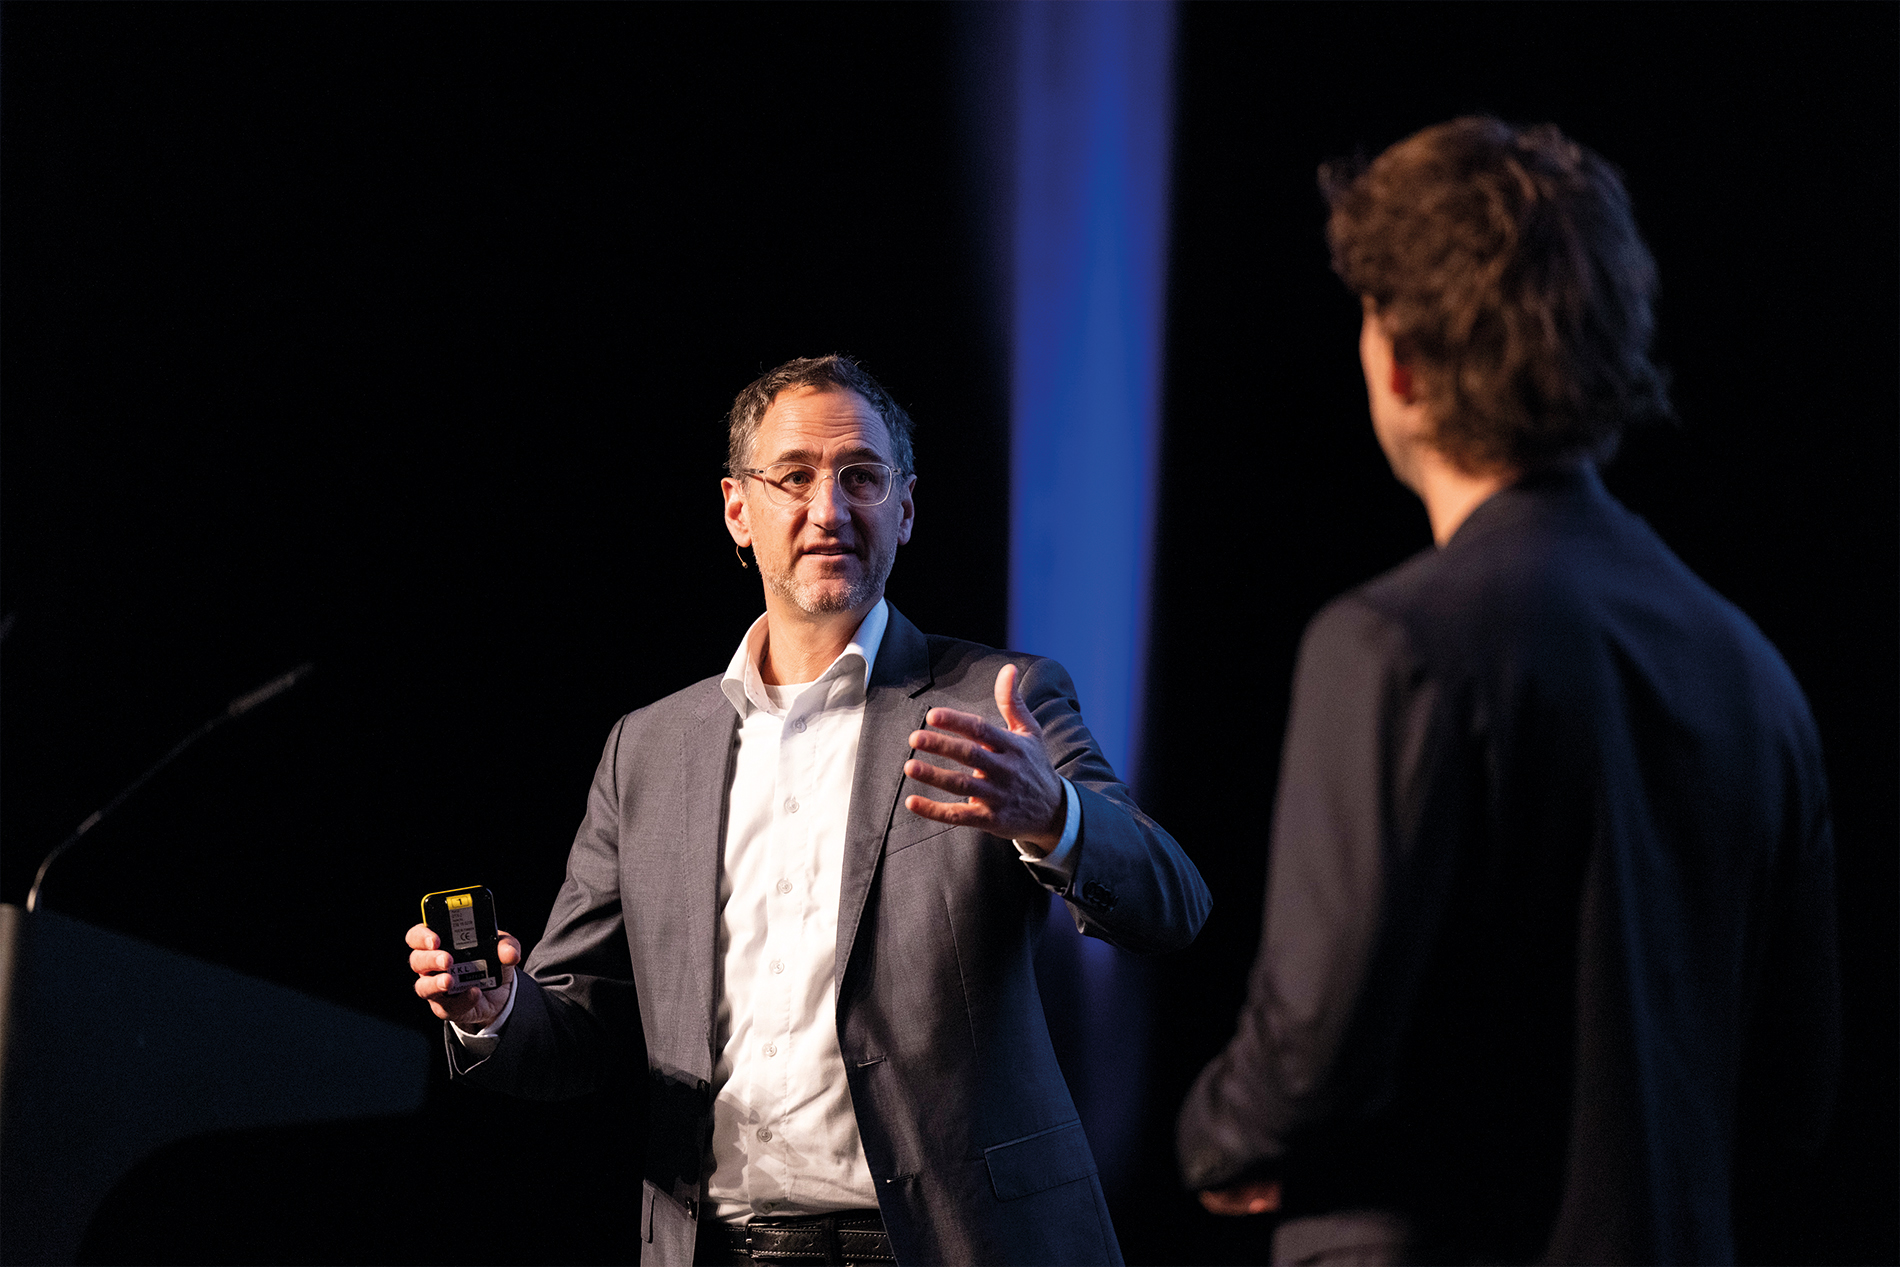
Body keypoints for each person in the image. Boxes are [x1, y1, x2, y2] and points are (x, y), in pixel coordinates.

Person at [1176, 118, 1838, 1265]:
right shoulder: (1754, 672)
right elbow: (1793, 1098)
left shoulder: (1387, 643)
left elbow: (1307, 1060)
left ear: (1400, 364)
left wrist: (1211, 1136)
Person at [407, 354, 1210, 1266]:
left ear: (904, 509)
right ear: (736, 511)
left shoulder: (999, 700)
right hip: (723, 1246)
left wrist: (1052, 813)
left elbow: (1173, 901)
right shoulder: (649, 749)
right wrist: (493, 1007)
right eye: (794, 476)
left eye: (861, 477)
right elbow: (577, 1027)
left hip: (954, 1243)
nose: (829, 510)